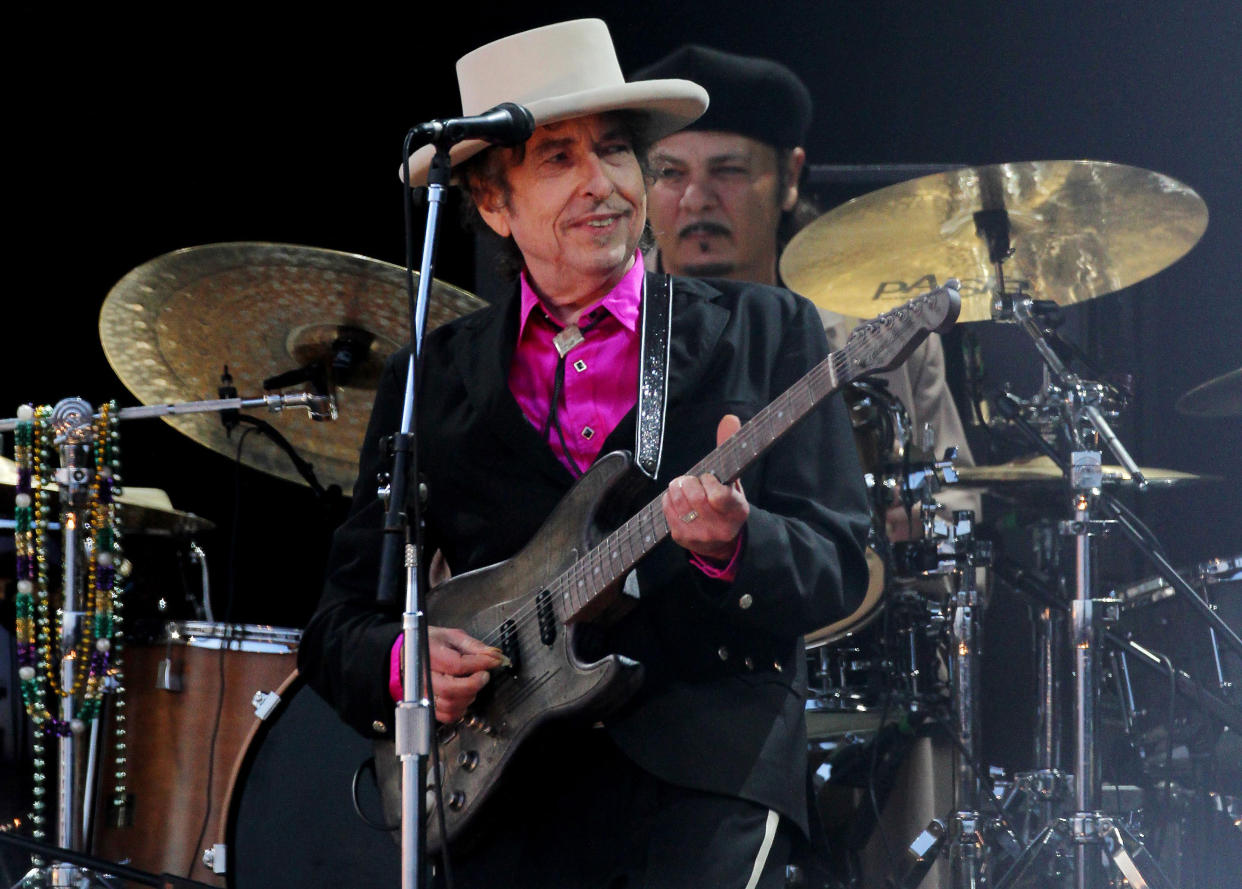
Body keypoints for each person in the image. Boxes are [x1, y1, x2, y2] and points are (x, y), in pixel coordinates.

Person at [298, 19, 871, 889]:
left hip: (705, 774)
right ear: (493, 202)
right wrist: (402, 662)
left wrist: (733, 545)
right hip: (499, 792)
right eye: (558, 159)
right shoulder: (436, 373)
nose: (602, 183)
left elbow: (837, 563)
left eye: (616, 151)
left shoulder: (766, 331)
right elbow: (341, 619)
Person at [634, 44, 977, 542]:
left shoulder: (880, 325)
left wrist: (926, 533)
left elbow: (957, 495)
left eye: (728, 171)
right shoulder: (600, 322)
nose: (696, 199)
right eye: (669, 173)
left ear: (790, 177)